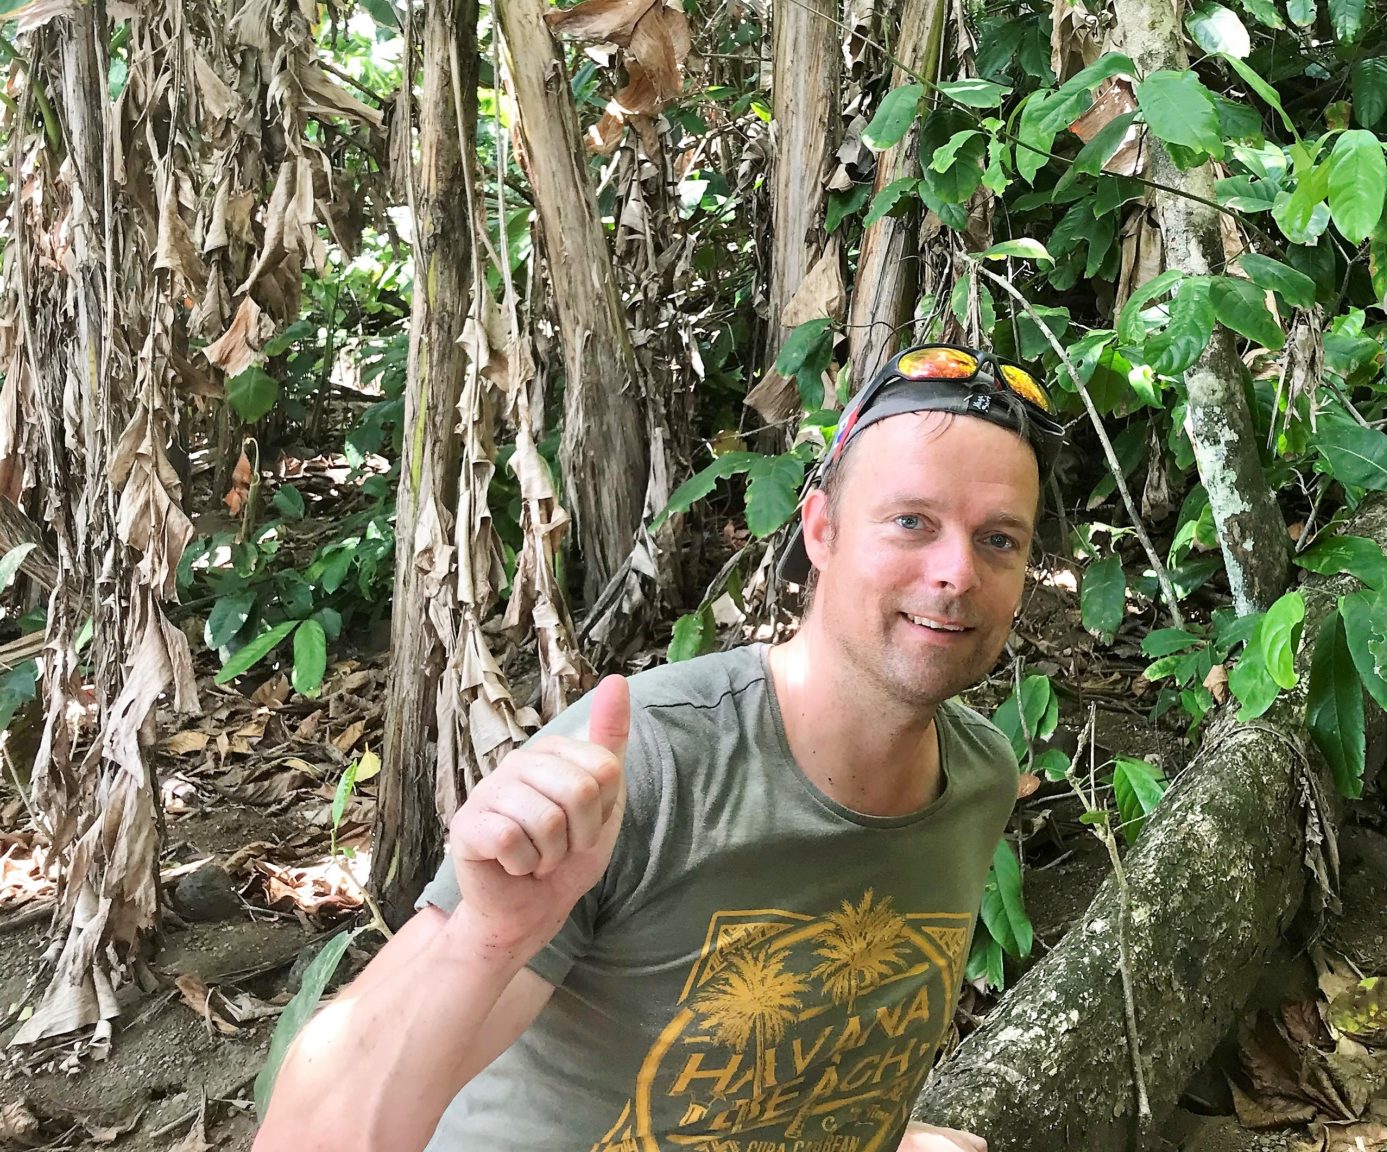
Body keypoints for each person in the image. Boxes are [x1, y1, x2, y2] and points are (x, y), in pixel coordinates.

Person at [253, 345, 1066, 1152]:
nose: (956, 572)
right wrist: (488, 938)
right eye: (912, 523)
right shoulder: (647, 766)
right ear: (821, 530)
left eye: (998, 540)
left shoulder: (980, 778)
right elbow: (312, 1134)